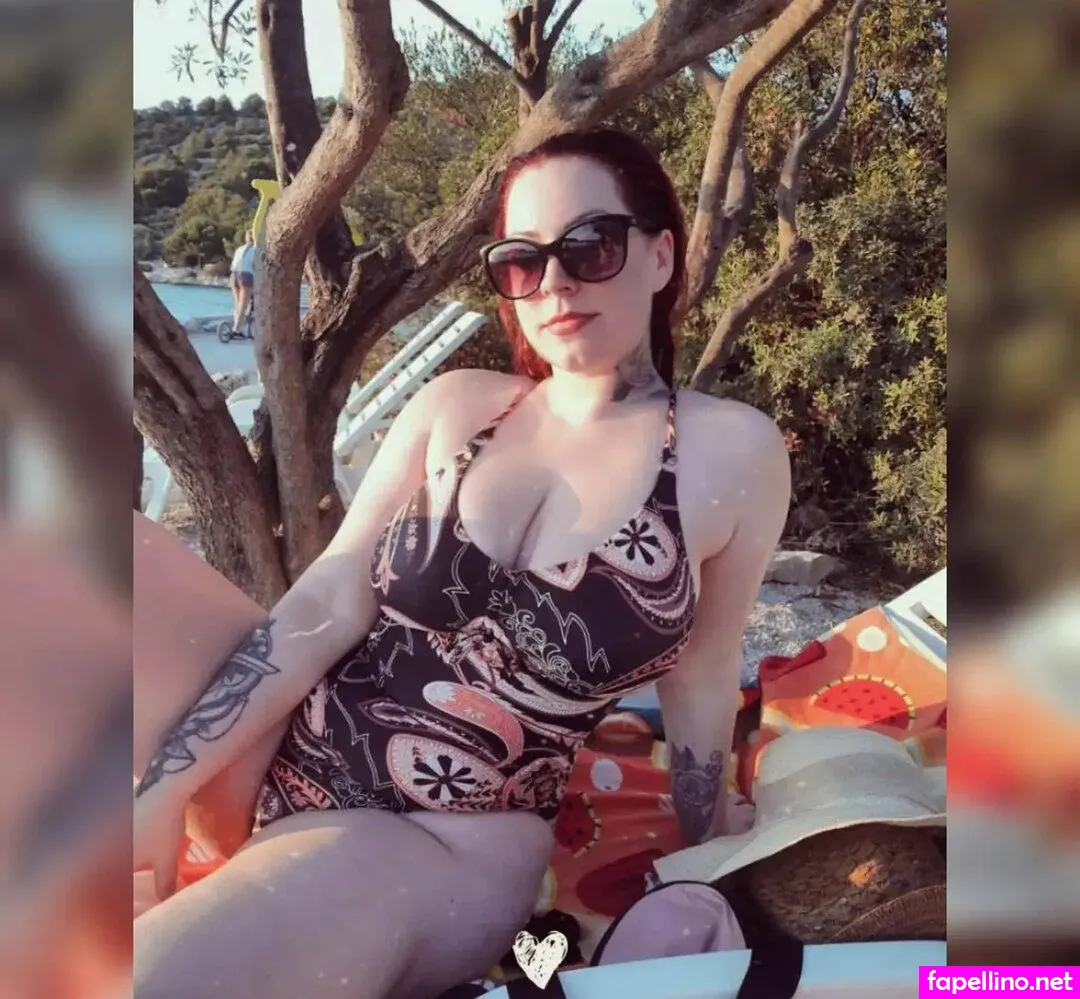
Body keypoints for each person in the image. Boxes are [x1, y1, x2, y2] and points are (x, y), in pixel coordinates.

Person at [133, 127, 791, 999]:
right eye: (523, 262)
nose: (555, 282)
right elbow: (329, 598)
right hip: (276, 758)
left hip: (440, 836)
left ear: (661, 254)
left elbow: (703, 672)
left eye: (590, 246)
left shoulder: (731, 452)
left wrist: (708, 838)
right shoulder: (459, 406)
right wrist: (167, 780)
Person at [229, 229, 257, 330]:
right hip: (246, 276)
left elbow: (233, 265)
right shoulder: (257, 250)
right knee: (243, 305)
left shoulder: (239, 249)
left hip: (234, 275)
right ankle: (236, 329)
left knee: (237, 303)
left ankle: (236, 325)